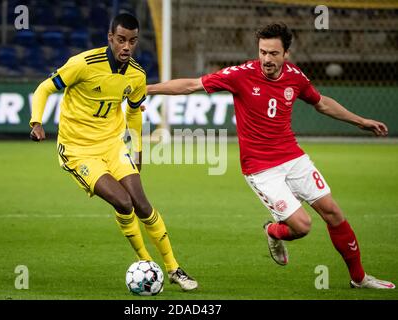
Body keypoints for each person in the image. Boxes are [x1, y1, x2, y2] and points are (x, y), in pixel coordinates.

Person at [147, 23, 395, 289]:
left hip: (293, 157)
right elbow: (191, 85)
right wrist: (147, 90)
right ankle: (272, 230)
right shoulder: (240, 75)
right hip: (261, 168)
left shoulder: (295, 77)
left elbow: (321, 103)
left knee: (333, 212)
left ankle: (359, 278)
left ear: (285, 53)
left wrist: (359, 121)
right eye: (263, 52)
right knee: (302, 227)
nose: (266, 58)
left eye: (273, 53)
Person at [29, 13, 197, 291]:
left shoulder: (137, 74)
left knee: (142, 204)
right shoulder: (83, 64)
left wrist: (138, 148)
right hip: (78, 151)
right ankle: (147, 263)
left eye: (132, 41)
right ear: (110, 38)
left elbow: (133, 113)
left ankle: (173, 268)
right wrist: (36, 121)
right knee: (123, 202)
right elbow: (45, 88)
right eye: (121, 40)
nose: (126, 46)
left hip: (113, 145)